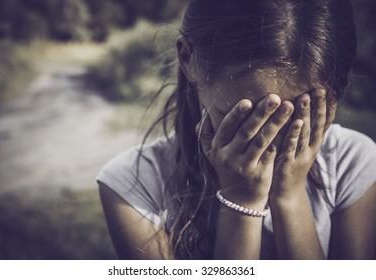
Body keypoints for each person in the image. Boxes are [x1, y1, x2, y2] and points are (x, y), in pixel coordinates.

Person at [97, 0, 376, 259]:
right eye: (245, 120)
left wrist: (289, 196)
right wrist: (241, 201)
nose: (266, 143)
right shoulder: (132, 185)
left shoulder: (353, 163)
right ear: (188, 60)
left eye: (294, 120)